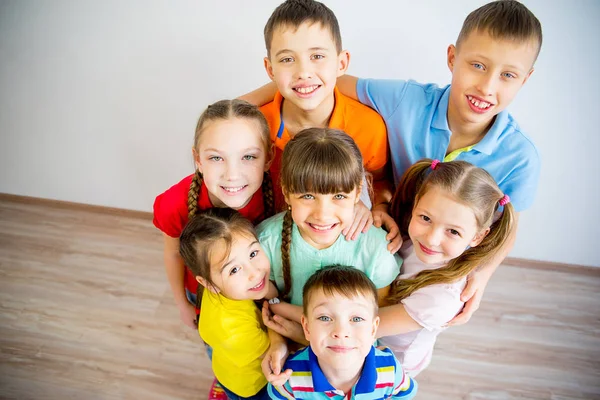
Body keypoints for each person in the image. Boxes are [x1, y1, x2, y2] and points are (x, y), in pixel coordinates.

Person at [244, 0, 543, 325]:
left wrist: (482, 277)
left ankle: (380, 354)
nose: (487, 87)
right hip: (384, 232)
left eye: (508, 75)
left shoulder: (521, 156)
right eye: (478, 66)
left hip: (441, 248)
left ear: (525, 79)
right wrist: (235, 108)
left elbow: (509, 225)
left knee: (439, 302)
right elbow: (320, 80)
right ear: (452, 58)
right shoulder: (406, 99)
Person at [152, 99, 275, 398]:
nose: (232, 175)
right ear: (198, 159)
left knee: (263, 338)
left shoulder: (281, 190)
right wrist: (183, 303)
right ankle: (224, 375)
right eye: (217, 158)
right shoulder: (174, 204)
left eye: (248, 156)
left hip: (264, 282)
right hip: (207, 294)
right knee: (218, 344)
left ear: (269, 158)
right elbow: (172, 253)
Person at [255, 0, 400, 251]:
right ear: (270, 69)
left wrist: (379, 207)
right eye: (287, 59)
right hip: (270, 241)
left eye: (318, 56)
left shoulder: (367, 126)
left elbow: (381, 181)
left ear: (341, 63)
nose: (304, 72)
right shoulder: (256, 128)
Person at [375, 159, 515, 376]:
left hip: (388, 368)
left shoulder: (442, 298)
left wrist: (302, 313)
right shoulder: (407, 234)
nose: (431, 239)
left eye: (453, 232)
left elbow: (362, 329)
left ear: (478, 236)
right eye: (425, 218)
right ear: (416, 203)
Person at [257, 128, 400, 325]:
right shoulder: (265, 243)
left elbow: (379, 311)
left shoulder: (376, 248)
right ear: (287, 192)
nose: (322, 215)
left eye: (339, 196)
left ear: (358, 192)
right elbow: (262, 307)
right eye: (308, 196)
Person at [268, 265, 417, 399]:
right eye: (325, 317)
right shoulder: (290, 375)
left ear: (373, 329)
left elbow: (405, 393)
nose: (340, 332)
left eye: (357, 319)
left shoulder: (390, 369)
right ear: (307, 328)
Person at [179, 208, 283, 400]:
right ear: (208, 284)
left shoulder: (226, 284)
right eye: (234, 269)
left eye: (253, 253)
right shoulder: (230, 329)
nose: (254, 273)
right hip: (252, 385)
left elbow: (269, 293)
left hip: (230, 360)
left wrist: (270, 293)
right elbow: (277, 356)